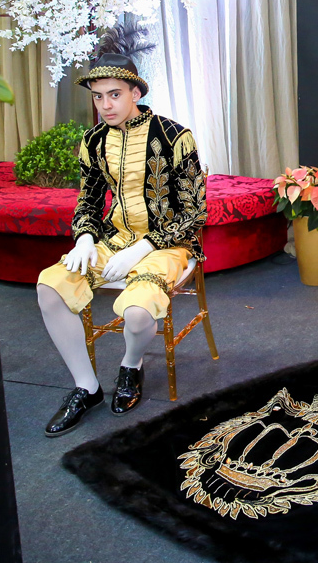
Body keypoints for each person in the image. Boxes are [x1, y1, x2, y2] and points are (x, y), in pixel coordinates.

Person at [36, 52, 206, 437]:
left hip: (168, 244)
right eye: (98, 97)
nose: (106, 105)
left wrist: (143, 247)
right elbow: (89, 200)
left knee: (138, 313)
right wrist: (84, 237)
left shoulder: (174, 136)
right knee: (50, 287)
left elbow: (194, 212)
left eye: (114, 95)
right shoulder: (94, 140)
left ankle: (131, 366)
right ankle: (87, 387)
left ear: (135, 93)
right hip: (112, 240)